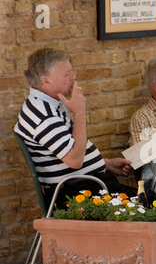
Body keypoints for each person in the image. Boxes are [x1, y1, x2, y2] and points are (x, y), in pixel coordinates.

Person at [14, 48, 137, 208]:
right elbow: (74, 160)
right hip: (75, 196)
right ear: (46, 81)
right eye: (67, 74)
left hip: (89, 187)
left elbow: (69, 148)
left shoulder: (50, 103)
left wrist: (104, 163)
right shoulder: (42, 114)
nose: (74, 77)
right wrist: (79, 112)